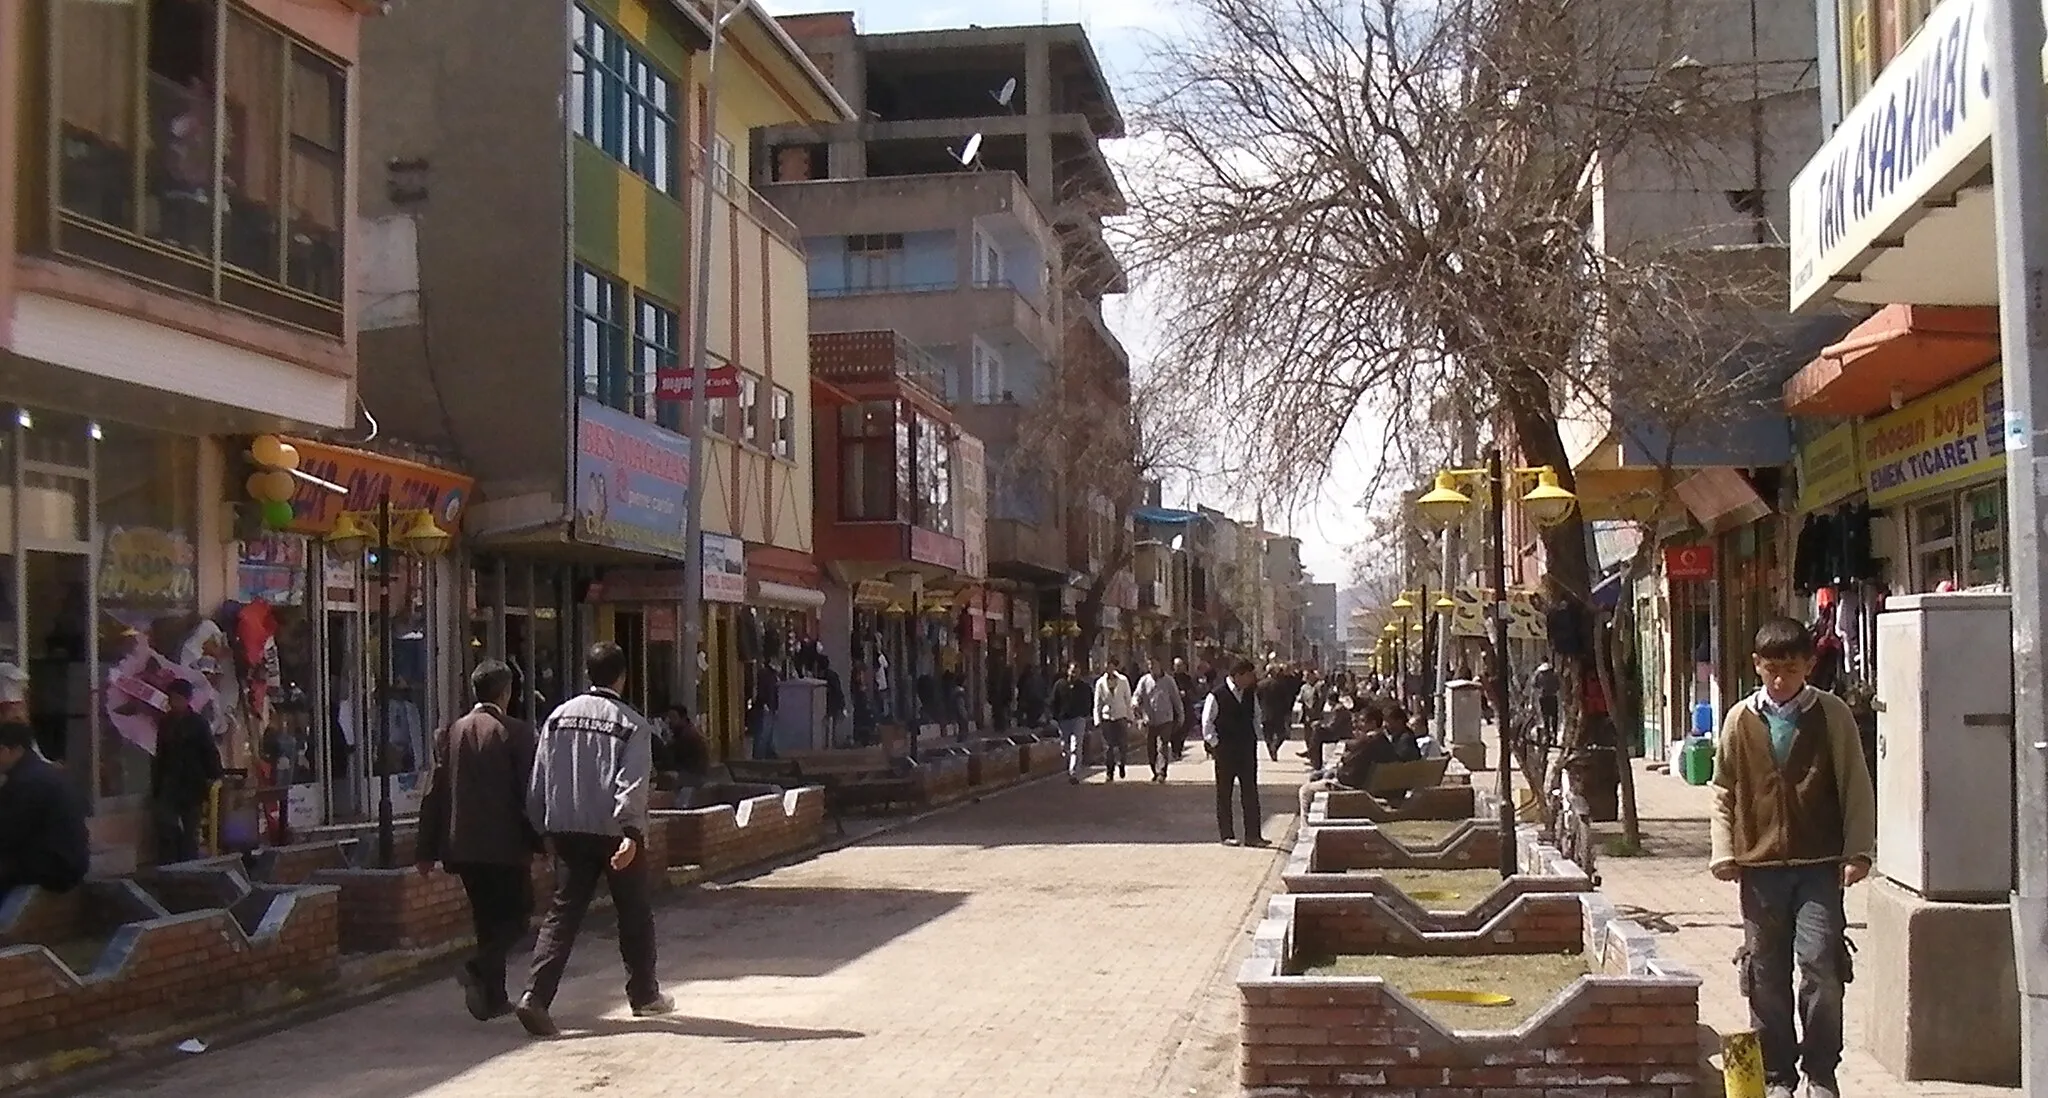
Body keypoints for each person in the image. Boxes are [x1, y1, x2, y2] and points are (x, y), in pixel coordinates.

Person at [1709, 618, 1875, 1098]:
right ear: (1757, 666)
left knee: (1821, 963)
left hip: (1819, 864)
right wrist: (1724, 851)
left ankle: (1820, 1070)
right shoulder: (1741, 718)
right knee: (1765, 973)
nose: (1781, 679)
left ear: (1808, 665)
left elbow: (1855, 785)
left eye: (1791, 668)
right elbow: (1723, 789)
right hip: (1759, 868)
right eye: (1771, 669)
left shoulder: (1832, 714)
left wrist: (1858, 851)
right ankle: (1778, 1073)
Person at [517, 642, 672, 1037]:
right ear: (622, 676)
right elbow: (632, 785)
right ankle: (644, 994)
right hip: (615, 834)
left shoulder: (556, 718)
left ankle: (535, 995)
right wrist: (633, 833)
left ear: (588, 672)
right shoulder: (632, 724)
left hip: (567, 832)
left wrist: (541, 833)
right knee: (634, 913)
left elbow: (538, 781)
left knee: (563, 914)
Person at [416, 660, 542, 1022]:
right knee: (518, 916)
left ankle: (494, 997)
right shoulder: (515, 732)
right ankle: (477, 967)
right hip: (504, 846)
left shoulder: (451, 732)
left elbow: (434, 793)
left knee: (486, 920)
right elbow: (527, 793)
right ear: (506, 693)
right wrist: (540, 841)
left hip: (463, 846)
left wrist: (425, 849)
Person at [0, 721, 89, 904]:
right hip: (69, 862)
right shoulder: (44, 773)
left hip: (55, 868)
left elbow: (8, 834)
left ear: (16, 749)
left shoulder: (26, 782)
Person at [150, 680, 222, 864]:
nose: (174, 703)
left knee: (191, 831)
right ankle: (168, 865)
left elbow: (209, 752)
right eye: (171, 698)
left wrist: (214, 777)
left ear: (186, 699)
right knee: (167, 827)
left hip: (191, 783)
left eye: (177, 698)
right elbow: (160, 755)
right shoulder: (166, 723)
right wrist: (156, 785)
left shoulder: (198, 723)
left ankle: (189, 866)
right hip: (169, 783)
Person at [1297, 699, 1399, 816]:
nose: (1359, 725)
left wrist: (1336, 774)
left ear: (1373, 723)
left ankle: (1305, 829)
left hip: (1360, 790)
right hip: (1369, 786)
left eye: (1363, 721)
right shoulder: (1380, 739)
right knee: (1319, 777)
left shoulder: (1370, 741)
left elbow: (1349, 773)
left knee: (1306, 791)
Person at [1202, 659, 1265, 847]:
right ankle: (1227, 834)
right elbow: (1207, 723)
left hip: (1246, 750)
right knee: (1224, 793)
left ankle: (1254, 835)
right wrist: (1216, 744)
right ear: (1238, 675)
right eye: (1249, 675)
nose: (1252, 679)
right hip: (1226, 752)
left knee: (1250, 792)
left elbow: (1256, 716)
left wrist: (1255, 737)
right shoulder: (1217, 694)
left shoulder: (1249, 694)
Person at [1133, 657, 1185, 783]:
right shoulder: (1144, 681)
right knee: (1151, 748)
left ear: (1160, 665)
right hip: (1149, 720)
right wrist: (1134, 704)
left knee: (1162, 746)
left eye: (1154, 664)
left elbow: (1176, 699)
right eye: (1149, 665)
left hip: (1166, 719)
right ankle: (1154, 770)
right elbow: (1136, 695)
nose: (1151, 667)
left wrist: (1180, 715)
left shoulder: (1169, 681)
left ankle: (1162, 772)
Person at [1092, 658, 1135, 783]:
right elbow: (1097, 703)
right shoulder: (1100, 683)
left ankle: (1122, 764)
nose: (1109, 669)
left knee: (1123, 745)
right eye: (1107, 666)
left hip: (1121, 716)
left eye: (1111, 666)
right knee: (1108, 747)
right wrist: (1097, 719)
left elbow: (1128, 699)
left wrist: (1130, 716)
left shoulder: (1123, 680)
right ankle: (1109, 771)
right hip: (1107, 718)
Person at [1049, 662, 1092, 785]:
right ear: (1068, 671)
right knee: (1065, 746)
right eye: (1073, 671)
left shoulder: (1084, 687)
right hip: (1063, 721)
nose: (1075, 674)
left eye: (1077, 671)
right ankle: (1068, 765)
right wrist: (1054, 716)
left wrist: (1085, 714)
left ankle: (1074, 772)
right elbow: (1053, 701)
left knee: (1076, 746)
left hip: (1078, 719)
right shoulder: (1060, 685)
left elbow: (1089, 700)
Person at [1255, 663, 1303, 762]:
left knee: (1267, 735)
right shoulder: (1280, 684)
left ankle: (1271, 749)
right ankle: (1275, 747)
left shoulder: (1260, 684)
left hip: (1265, 714)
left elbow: (1256, 699)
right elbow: (1286, 699)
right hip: (1278, 714)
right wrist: (1287, 711)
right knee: (1282, 734)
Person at [748, 658, 781, 759]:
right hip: (765, 707)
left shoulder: (769, 675)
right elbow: (766, 691)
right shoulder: (767, 675)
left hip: (767, 707)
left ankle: (766, 754)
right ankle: (761, 756)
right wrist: (765, 703)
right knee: (763, 733)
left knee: (765, 732)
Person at [1171, 658, 1199, 761]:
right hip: (1174, 708)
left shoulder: (1187, 678)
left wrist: (1186, 693)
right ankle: (1175, 750)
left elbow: (1193, 690)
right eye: (1176, 666)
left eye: (1180, 666)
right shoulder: (1171, 678)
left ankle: (1179, 747)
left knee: (1184, 729)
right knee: (1175, 730)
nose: (1178, 668)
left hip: (1186, 706)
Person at [1532, 661, 1562, 743]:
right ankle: (1554, 735)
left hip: (1543, 697)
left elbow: (1534, 684)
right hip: (1552, 697)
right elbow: (1558, 685)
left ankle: (1547, 735)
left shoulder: (1538, 675)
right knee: (1554, 717)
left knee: (1545, 717)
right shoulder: (1554, 675)